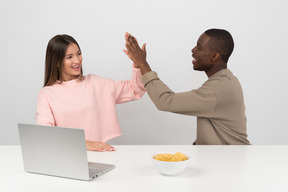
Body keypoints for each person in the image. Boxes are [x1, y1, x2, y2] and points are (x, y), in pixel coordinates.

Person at [124, 29, 250, 145]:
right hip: (227, 160)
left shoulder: (218, 89)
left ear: (215, 56)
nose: (193, 50)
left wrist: (142, 63)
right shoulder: (227, 80)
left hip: (230, 164)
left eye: (199, 47)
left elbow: (165, 101)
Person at [36, 34, 146, 151]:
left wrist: (138, 64)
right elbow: (45, 134)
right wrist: (83, 143)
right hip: (67, 156)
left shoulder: (97, 83)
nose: (77, 60)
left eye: (79, 54)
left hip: (100, 156)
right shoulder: (47, 94)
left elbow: (136, 89)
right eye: (69, 57)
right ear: (57, 62)